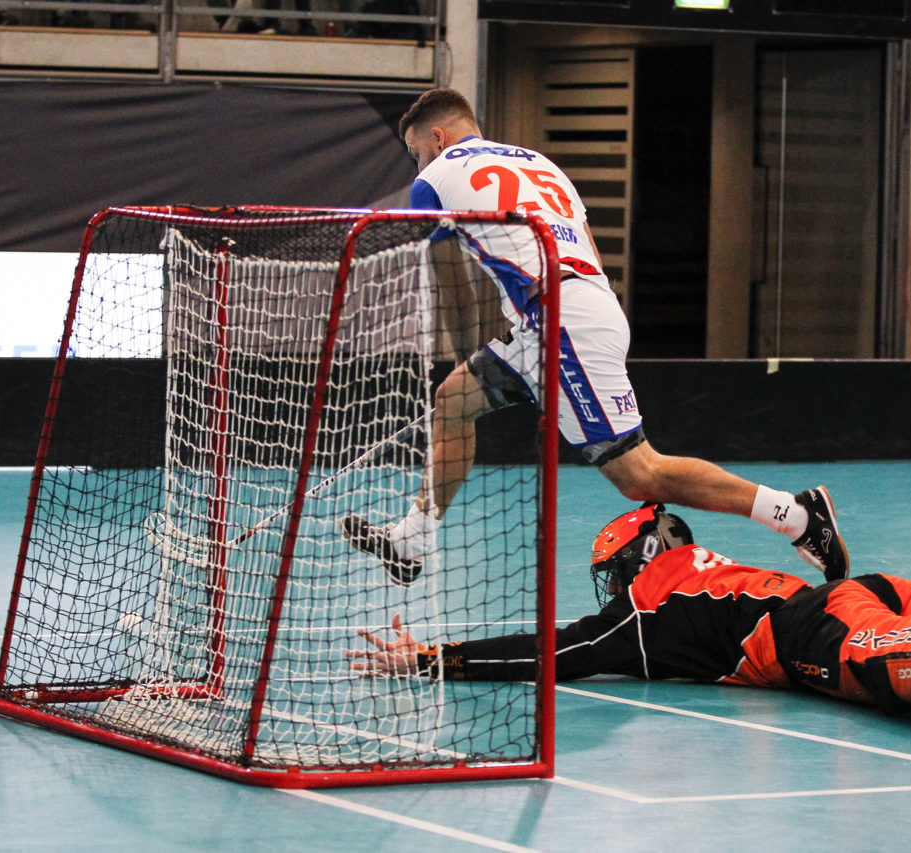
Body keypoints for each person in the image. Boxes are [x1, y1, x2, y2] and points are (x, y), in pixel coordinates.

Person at [339, 88, 848, 586]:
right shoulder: (540, 164)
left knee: (638, 475)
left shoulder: (435, 177)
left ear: (438, 135)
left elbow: (452, 281)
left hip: (561, 324)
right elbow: (587, 252)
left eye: (416, 152)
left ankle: (797, 515)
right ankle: (412, 541)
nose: (417, 163)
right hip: (577, 309)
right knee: (453, 401)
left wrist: (471, 346)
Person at [349, 503, 911, 741]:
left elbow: (551, 649)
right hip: (873, 586)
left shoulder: (642, 613)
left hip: (812, 626)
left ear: (629, 563)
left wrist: (435, 656)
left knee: (868, 665)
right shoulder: (702, 566)